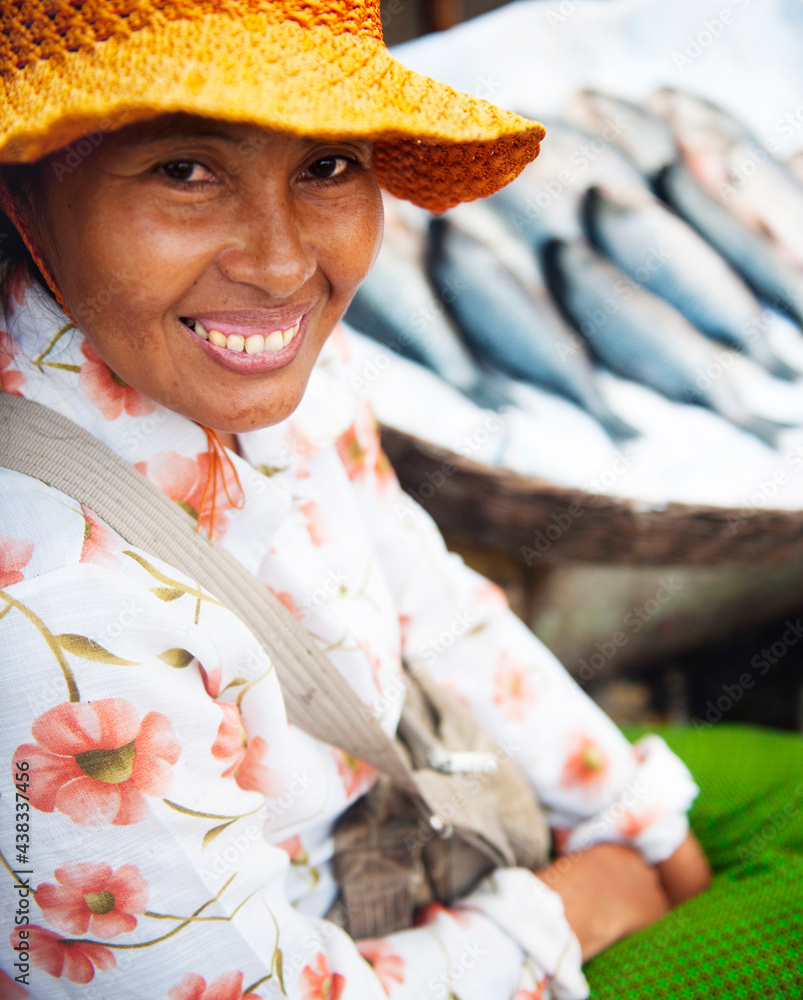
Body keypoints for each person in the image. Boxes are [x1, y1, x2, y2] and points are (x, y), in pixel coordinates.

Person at [0, 2, 798, 999]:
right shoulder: (46, 626)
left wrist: (636, 821)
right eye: (184, 171)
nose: (284, 263)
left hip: (416, 808)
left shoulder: (269, 375)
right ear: (25, 189)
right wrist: (567, 909)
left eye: (326, 165)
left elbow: (435, 604)